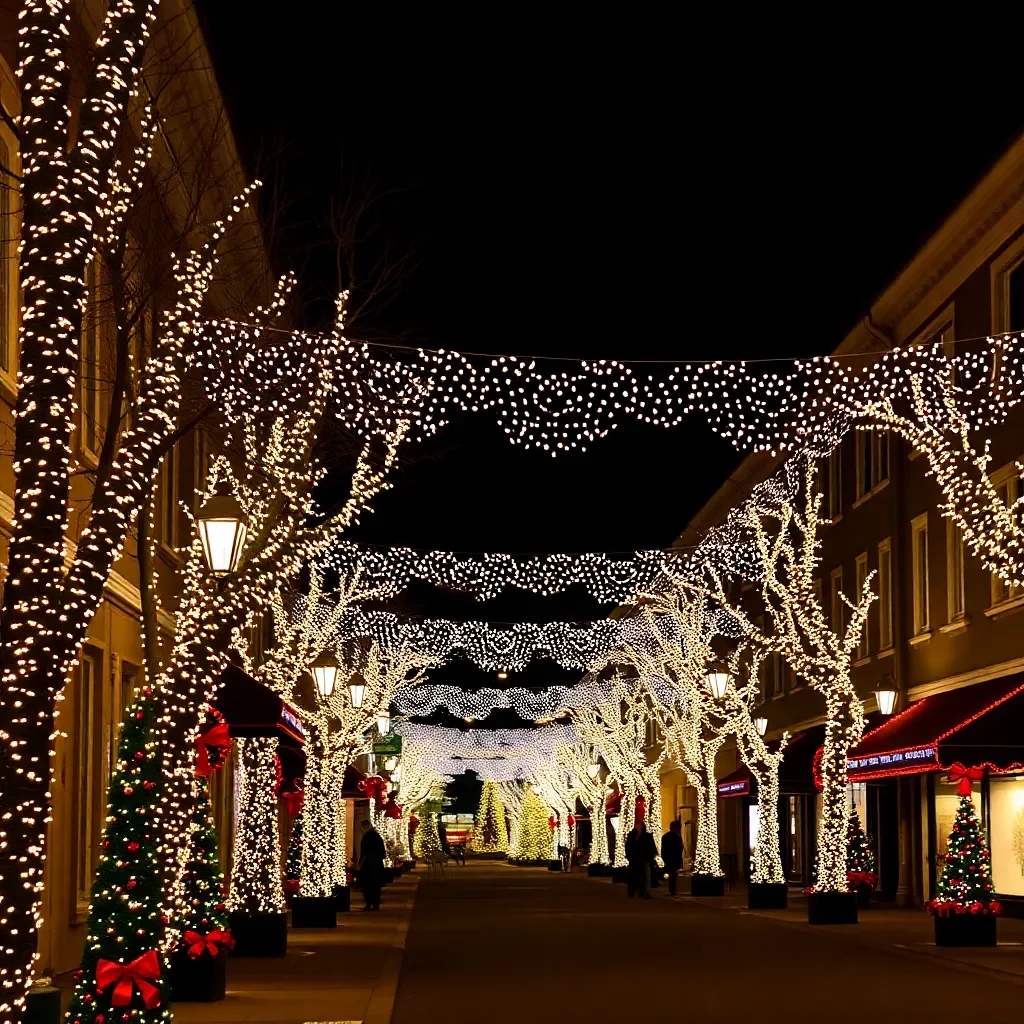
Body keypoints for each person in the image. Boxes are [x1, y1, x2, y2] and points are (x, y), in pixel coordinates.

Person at [624, 819, 657, 899]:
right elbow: (628, 846)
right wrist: (629, 856)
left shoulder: (647, 836)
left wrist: (651, 857)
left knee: (646, 875)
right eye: (636, 824)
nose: (638, 826)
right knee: (634, 875)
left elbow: (651, 847)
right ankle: (633, 890)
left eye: (639, 824)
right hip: (634, 859)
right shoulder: (631, 835)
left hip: (644, 859)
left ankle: (645, 892)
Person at [359, 819, 386, 911]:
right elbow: (382, 853)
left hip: (368, 864)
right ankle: (375, 903)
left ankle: (369, 903)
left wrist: (360, 863)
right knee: (375, 885)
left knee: (367, 885)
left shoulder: (367, 837)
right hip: (377, 864)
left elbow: (364, 852)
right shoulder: (377, 836)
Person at [661, 820, 684, 896]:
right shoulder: (677, 836)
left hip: (668, 858)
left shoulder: (665, 836)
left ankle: (672, 889)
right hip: (675, 857)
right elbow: (680, 848)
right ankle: (672, 890)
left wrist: (664, 858)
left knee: (672, 873)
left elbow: (663, 849)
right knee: (673, 874)